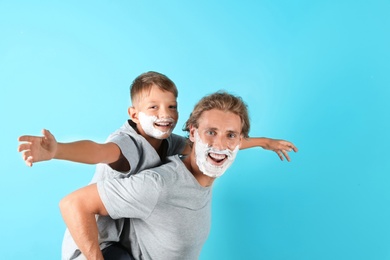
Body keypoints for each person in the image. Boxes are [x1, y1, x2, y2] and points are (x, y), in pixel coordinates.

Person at [17, 72, 298, 259]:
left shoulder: (172, 144)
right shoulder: (129, 147)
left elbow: (218, 146)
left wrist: (263, 141)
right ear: (134, 115)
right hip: (98, 243)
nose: (164, 114)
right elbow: (97, 152)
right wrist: (57, 150)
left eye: (171, 107)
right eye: (153, 107)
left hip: (120, 236)